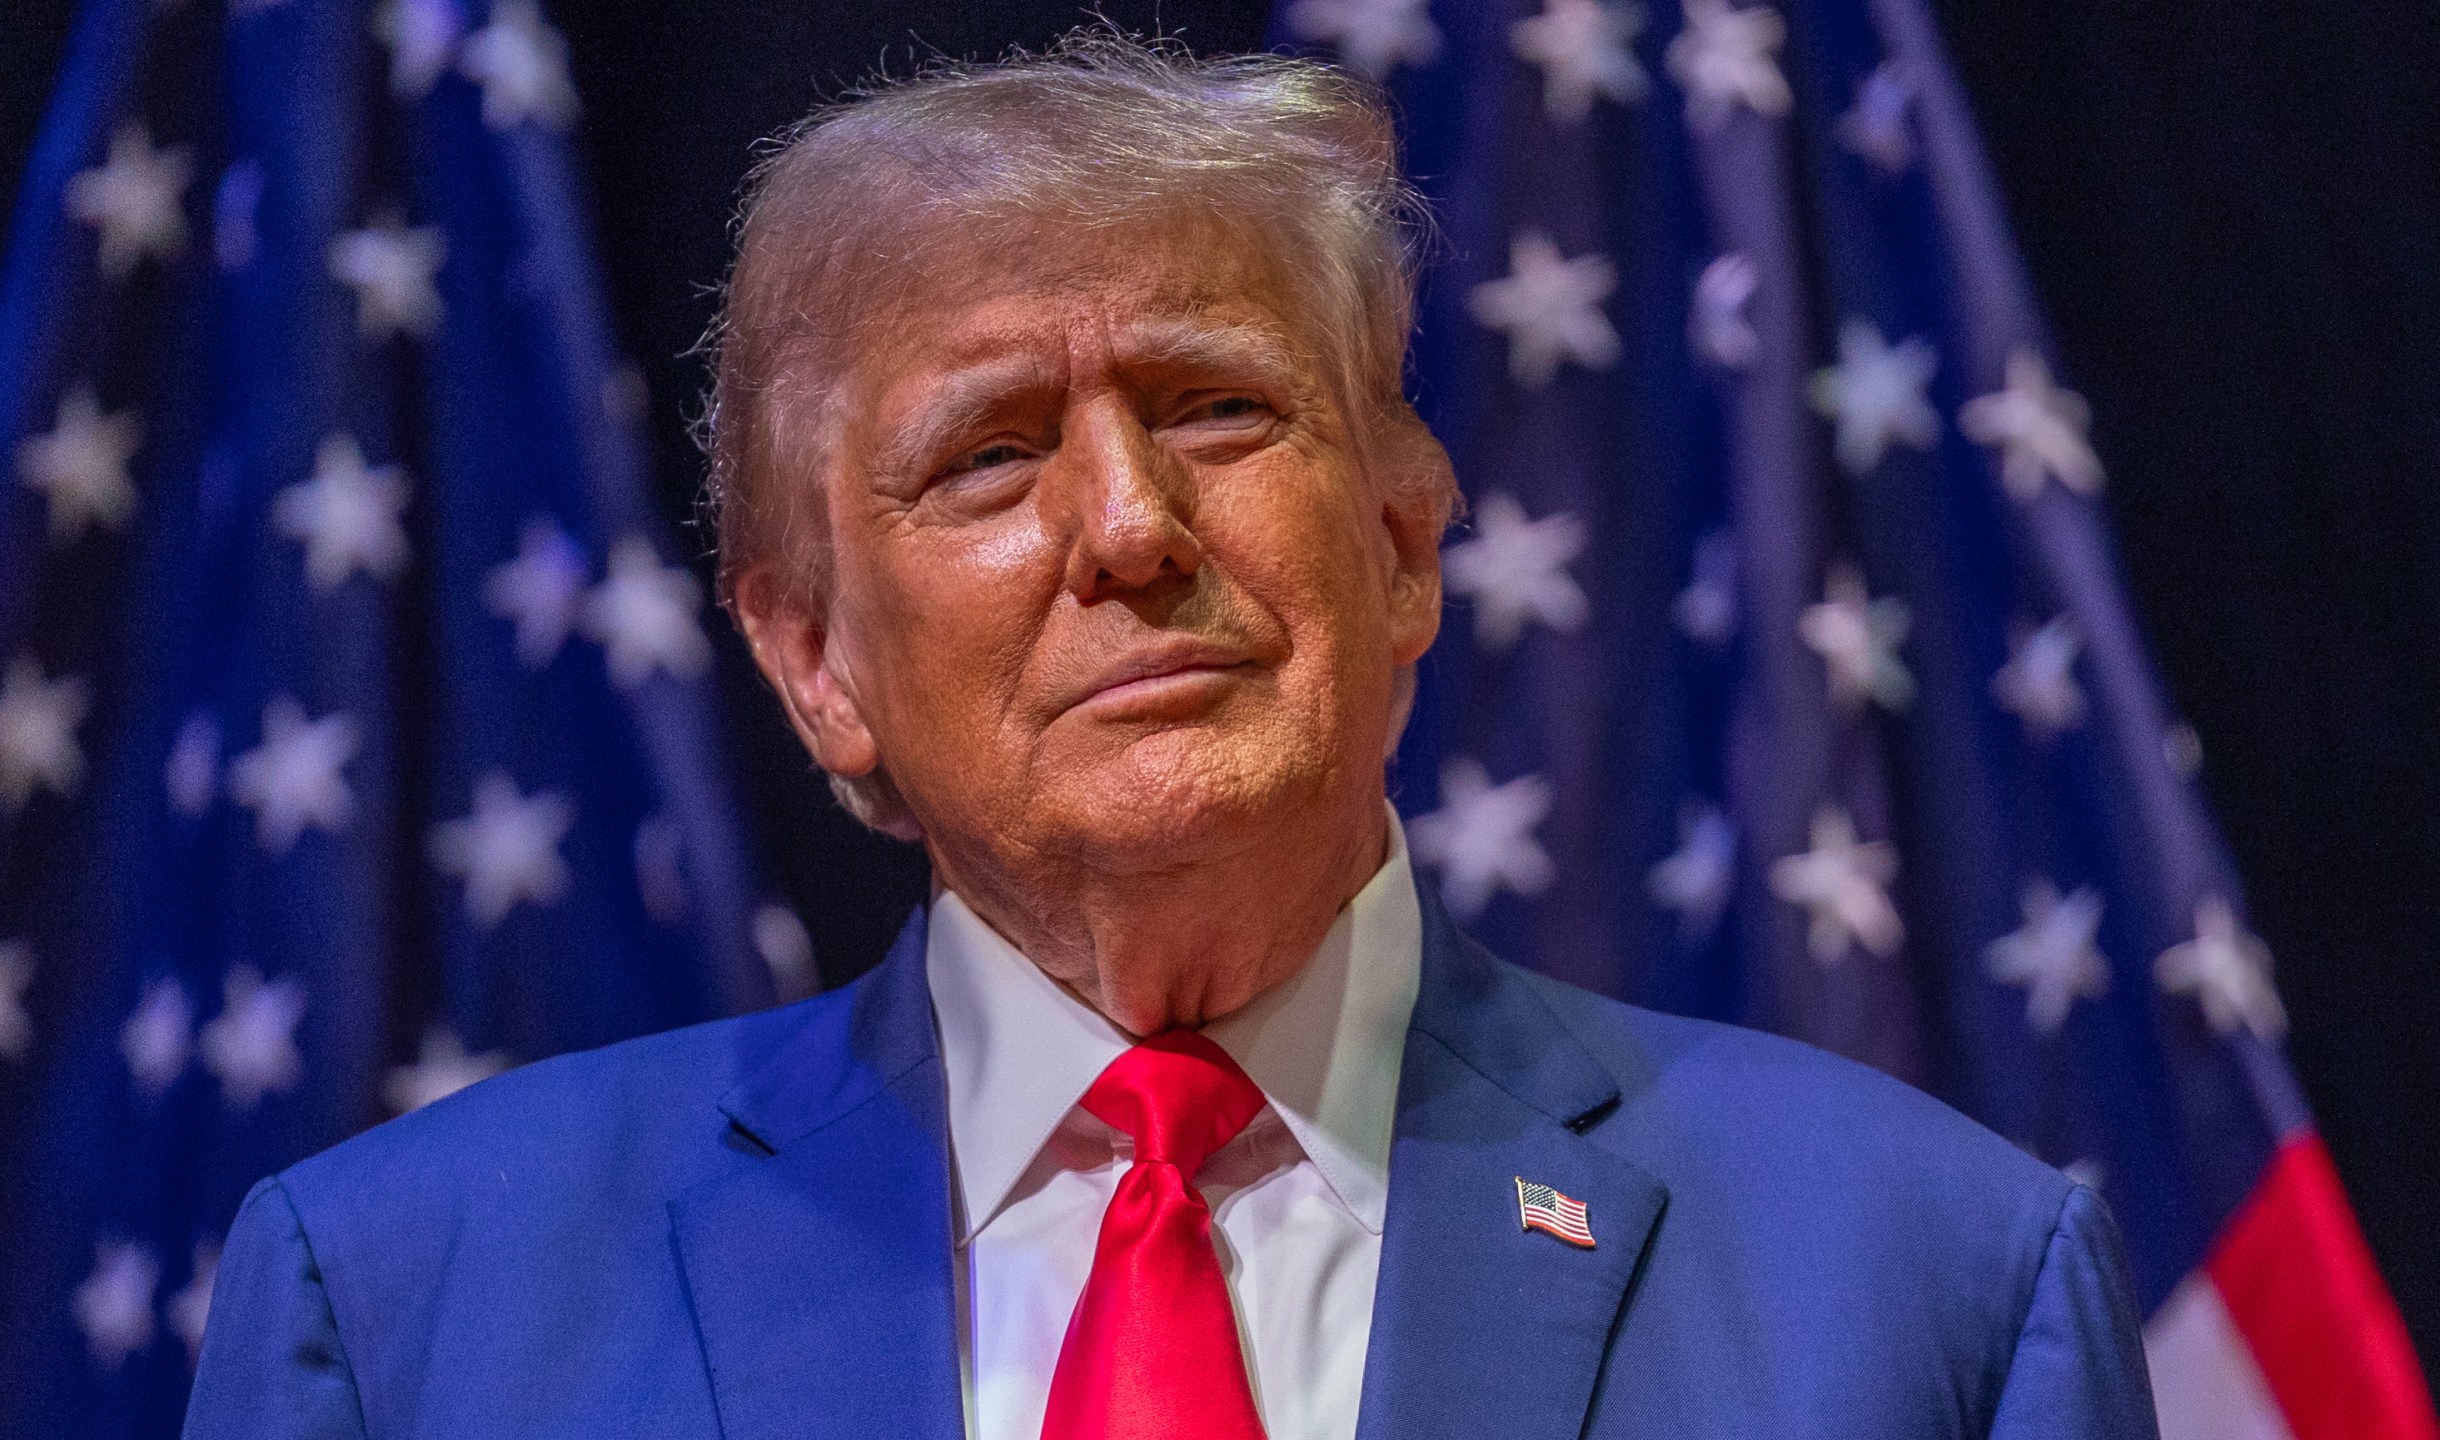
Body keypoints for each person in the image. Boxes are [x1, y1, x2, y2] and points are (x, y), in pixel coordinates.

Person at [184, 33, 2159, 1440]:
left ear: (1404, 541)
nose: (1128, 527)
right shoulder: (412, 1310)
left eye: (1217, 408)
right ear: (812, 660)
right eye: (988, 455)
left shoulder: (1926, 1285)